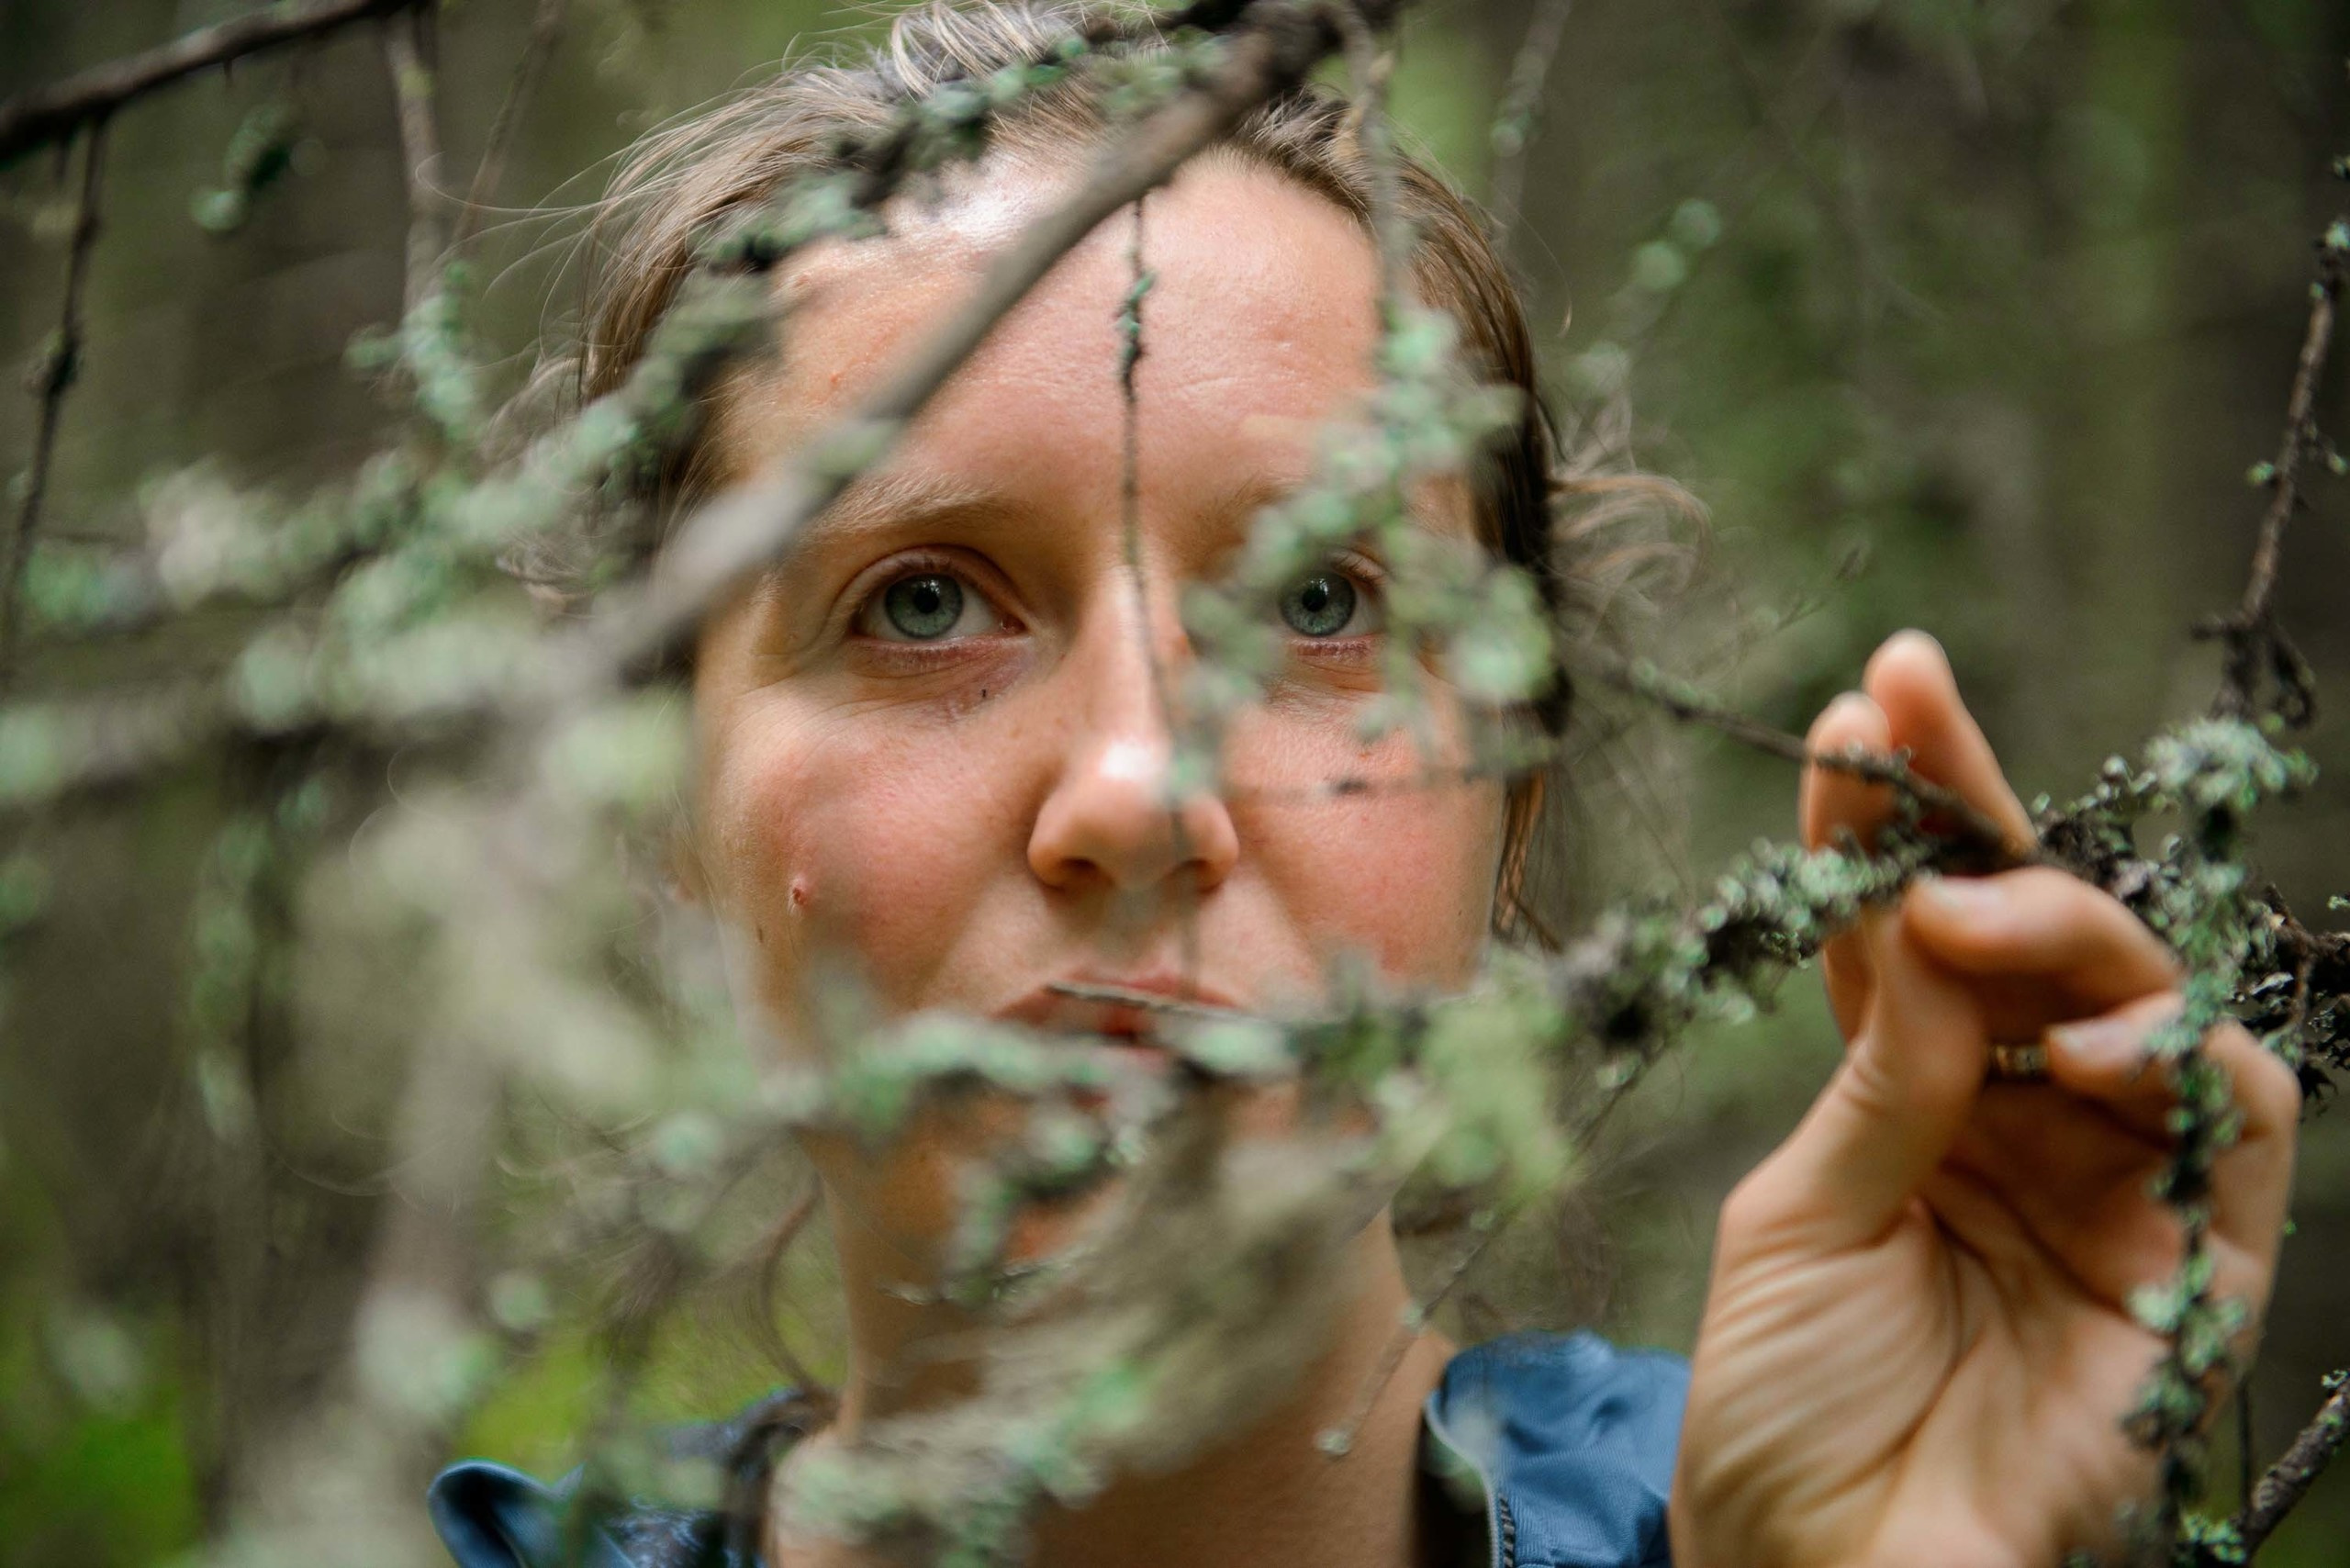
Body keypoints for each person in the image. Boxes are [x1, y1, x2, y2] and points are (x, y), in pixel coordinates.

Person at [428, 3, 2302, 1564]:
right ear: (661, 793)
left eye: (1323, 599)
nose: (1140, 783)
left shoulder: (1786, 1521)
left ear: (1513, 801)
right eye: (924, 601)